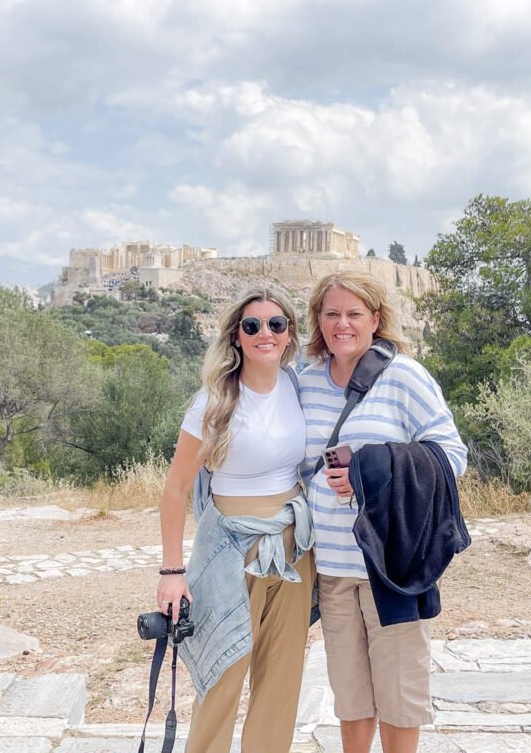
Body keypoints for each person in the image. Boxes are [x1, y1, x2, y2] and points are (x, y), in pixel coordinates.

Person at [300, 270, 467, 753]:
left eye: (354, 314)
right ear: (318, 320)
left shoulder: (404, 376)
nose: (342, 324)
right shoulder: (306, 381)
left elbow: (452, 455)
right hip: (332, 568)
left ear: (375, 319)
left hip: (390, 565)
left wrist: (368, 467)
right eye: (331, 313)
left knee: (398, 696)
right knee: (351, 698)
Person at [156, 286, 315, 753]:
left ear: (289, 335)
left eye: (275, 324)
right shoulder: (212, 402)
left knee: (282, 677)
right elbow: (174, 490)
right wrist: (171, 572)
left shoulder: (297, 385)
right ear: (237, 337)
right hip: (229, 547)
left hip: (292, 544)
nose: (265, 333)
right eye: (252, 326)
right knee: (223, 673)